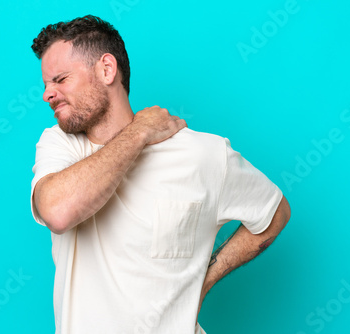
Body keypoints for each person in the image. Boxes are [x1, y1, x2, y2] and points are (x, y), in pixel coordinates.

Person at [30, 15, 291, 334]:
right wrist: (140, 130)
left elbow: (274, 211)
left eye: (60, 79)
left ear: (107, 70)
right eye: (45, 84)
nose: (47, 94)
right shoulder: (59, 146)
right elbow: (58, 211)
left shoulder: (202, 155)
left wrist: (206, 280)